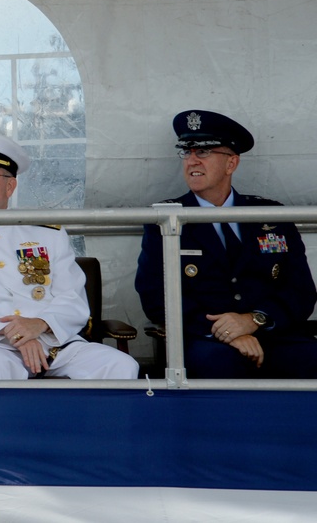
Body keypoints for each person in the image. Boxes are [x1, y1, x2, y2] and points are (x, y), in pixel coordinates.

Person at [0, 131, 139, 380]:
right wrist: (16, 334)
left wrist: (39, 324)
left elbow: (73, 298)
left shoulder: (48, 233)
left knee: (121, 366)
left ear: (10, 185)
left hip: (56, 342)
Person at [135, 109, 317, 378]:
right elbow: (155, 297)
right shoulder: (165, 218)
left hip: (271, 331)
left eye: (204, 152)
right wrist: (225, 332)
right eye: (186, 152)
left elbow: (301, 291)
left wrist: (253, 320)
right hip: (206, 339)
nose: (192, 161)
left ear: (231, 164)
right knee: (217, 365)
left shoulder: (271, 215)